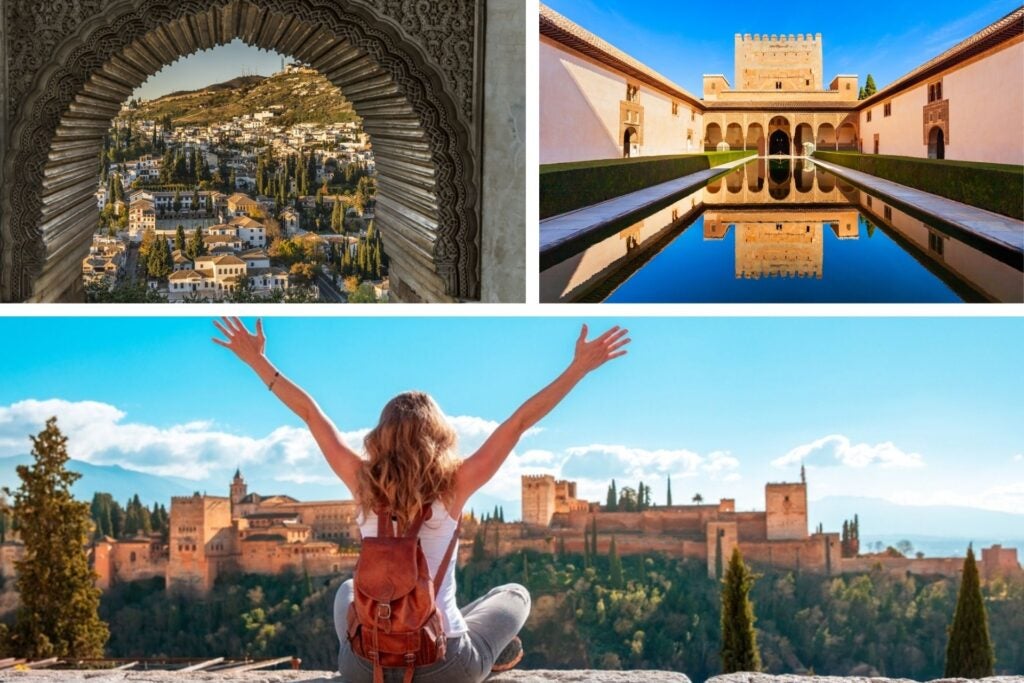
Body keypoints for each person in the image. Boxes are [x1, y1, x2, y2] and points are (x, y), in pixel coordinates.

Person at [213, 317, 630, 682]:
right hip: (445, 668)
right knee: (514, 593)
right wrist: (578, 369)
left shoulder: (361, 483)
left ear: (381, 436)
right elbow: (519, 422)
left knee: (345, 591)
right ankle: (460, 636)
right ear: (439, 438)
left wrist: (257, 362)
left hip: (363, 669)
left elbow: (309, 412)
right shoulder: (455, 485)